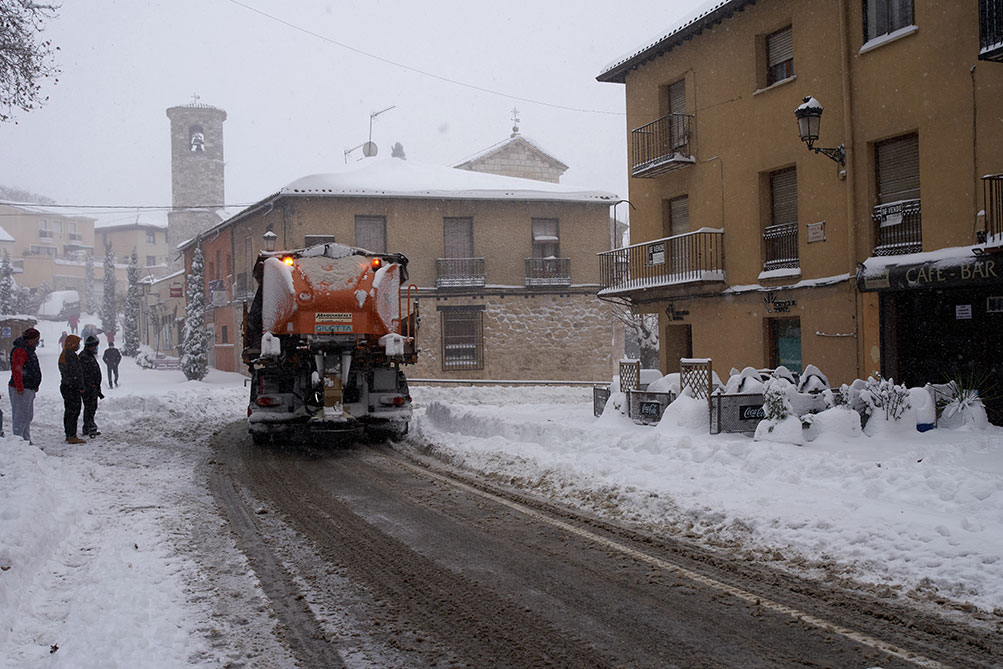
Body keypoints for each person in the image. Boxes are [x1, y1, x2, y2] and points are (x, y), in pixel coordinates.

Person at [9, 327, 41, 444]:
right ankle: (18, 442)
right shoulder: (20, 350)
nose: (38, 341)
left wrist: (34, 384)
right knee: (20, 417)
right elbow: (17, 369)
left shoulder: (28, 349)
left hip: (29, 387)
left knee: (27, 416)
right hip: (21, 389)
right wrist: (20, 387)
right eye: (37, 339)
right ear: (31, 339)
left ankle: (26, 441)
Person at [58, 335, 86, 444]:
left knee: (70, 410)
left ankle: (69, 433)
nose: (78, 345)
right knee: (73, 411)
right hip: (71, 387)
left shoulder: (66, 354)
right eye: (77, 343)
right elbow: (75, 372)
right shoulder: (70, 355)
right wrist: (80, 385)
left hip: (67, 386)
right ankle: (71, 435)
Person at [79, 335, 104, 438]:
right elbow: (85, 373)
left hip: (93, 387)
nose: (96, 348)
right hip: (89, 388)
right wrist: (90, 385)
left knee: (91, 408)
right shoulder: (85, 356)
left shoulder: (88, 355)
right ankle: (89, 428)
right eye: (95, 346)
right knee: (90, 407)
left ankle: (88, 427)